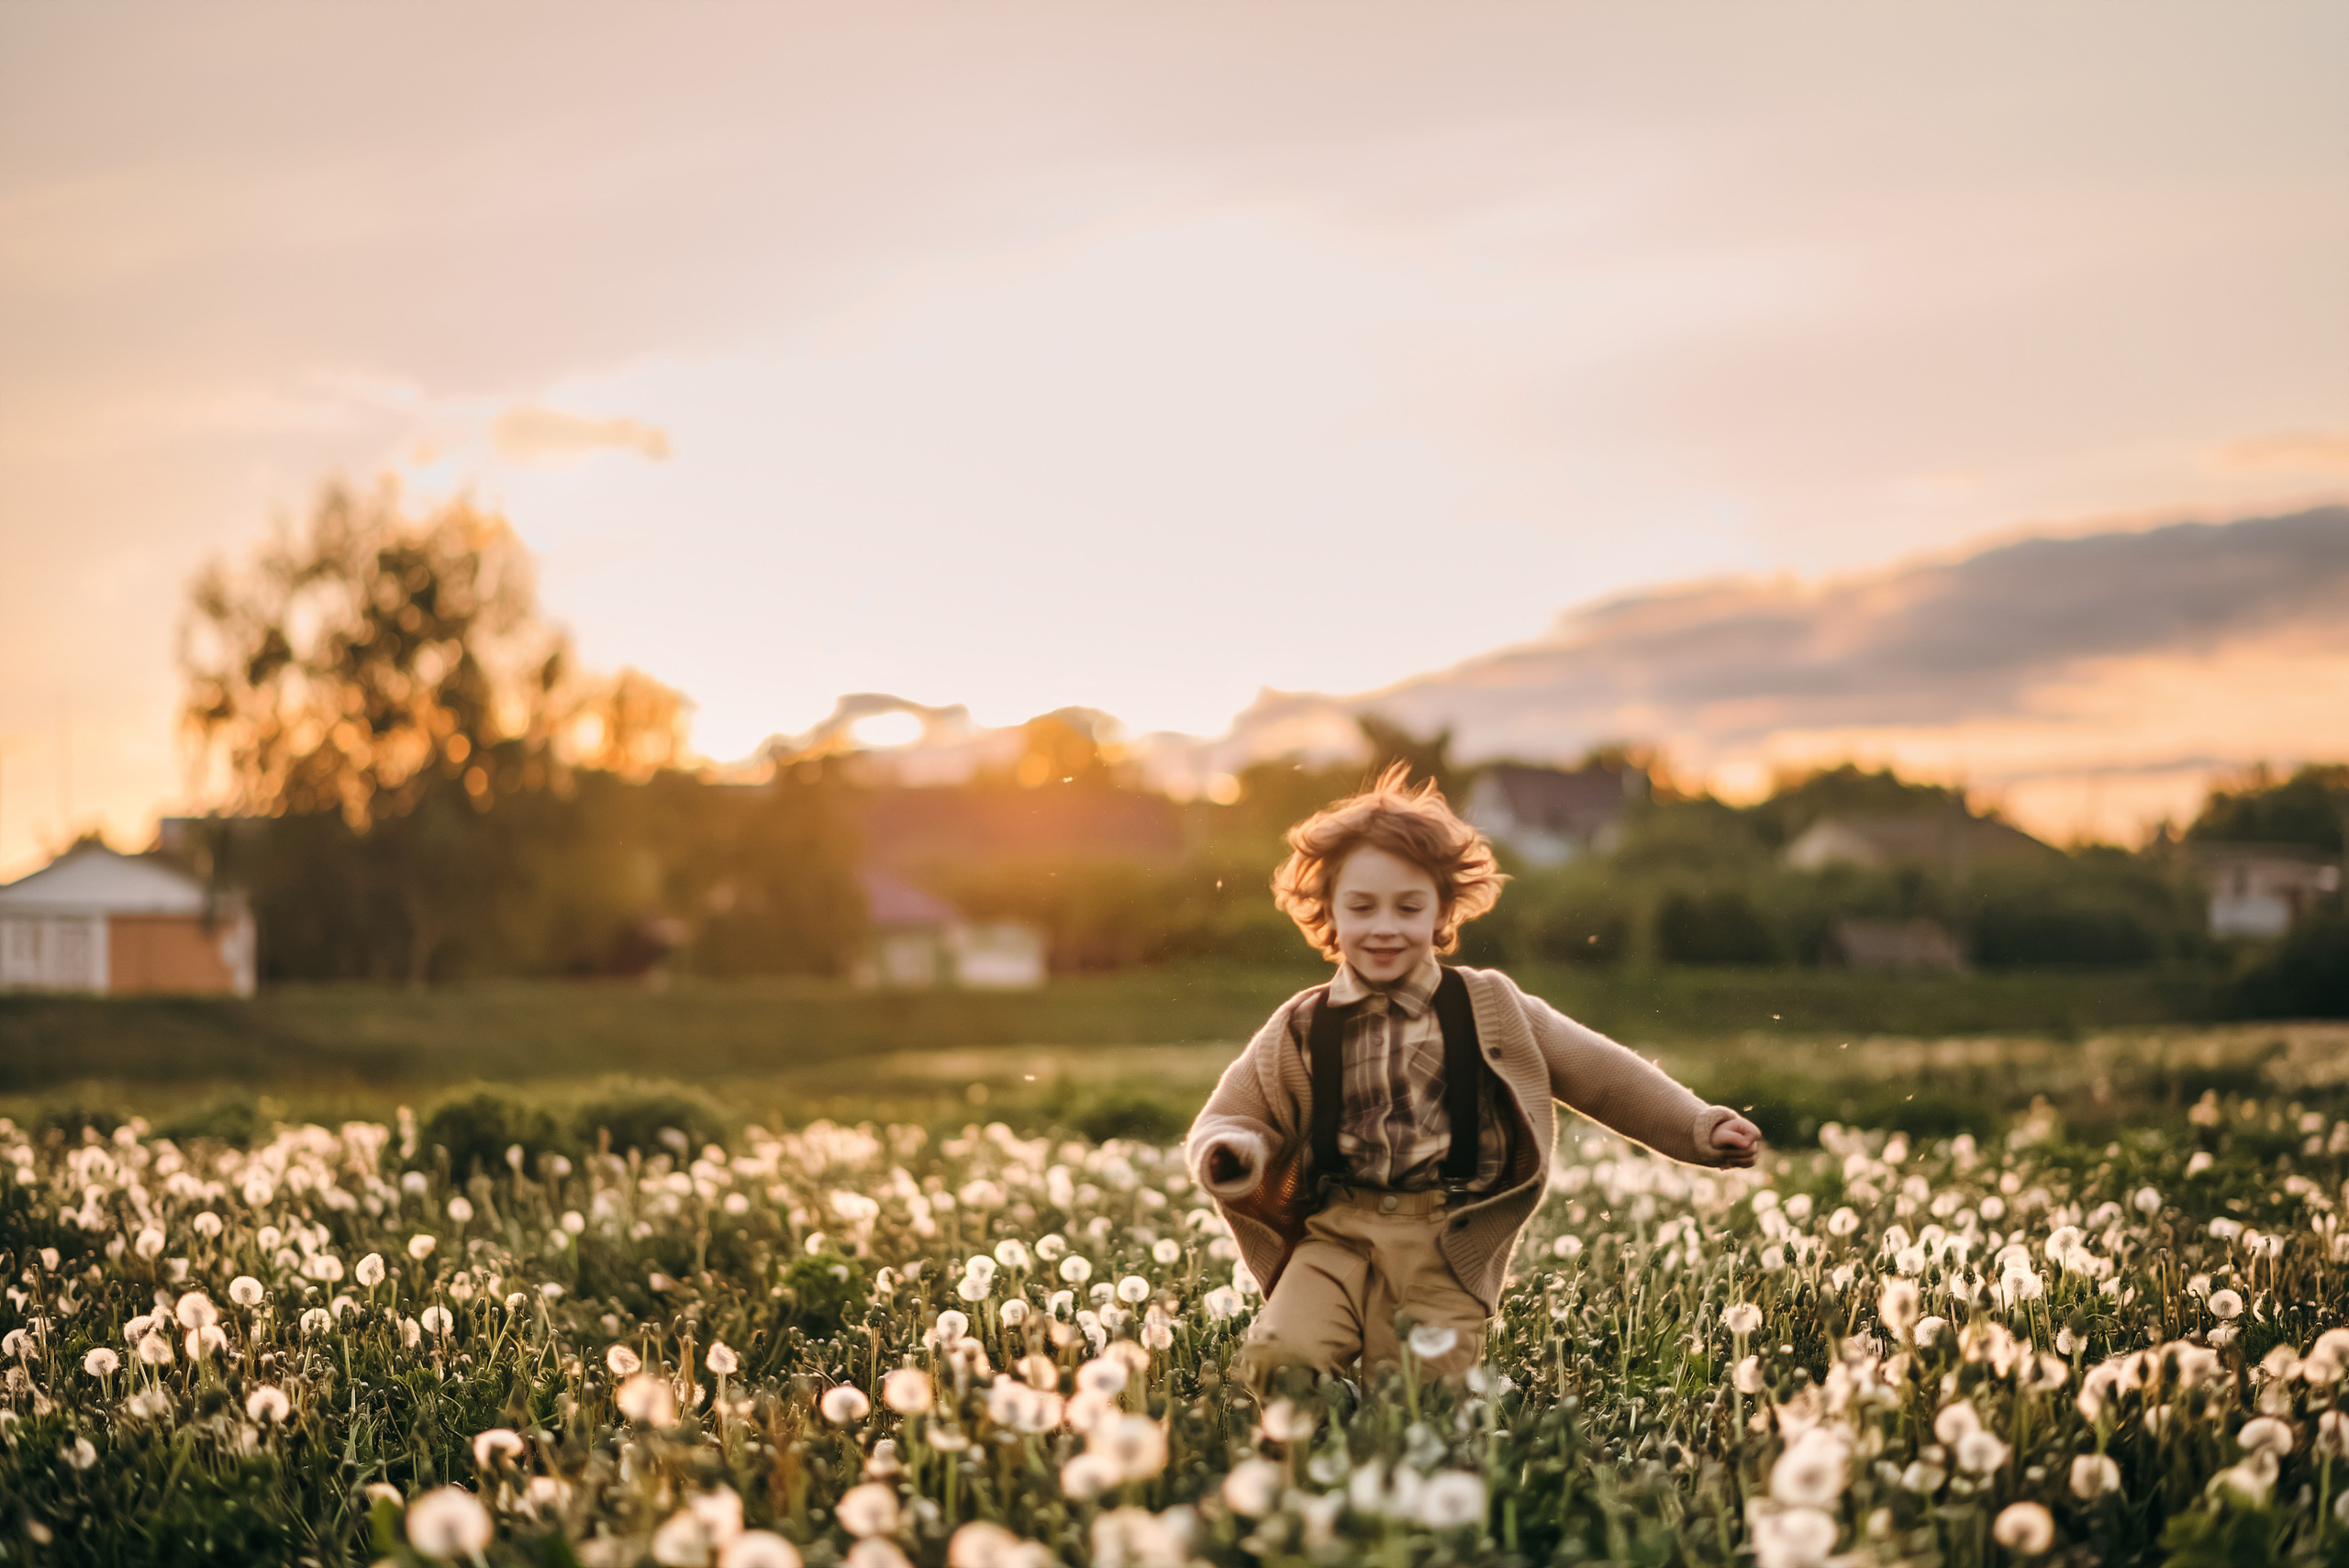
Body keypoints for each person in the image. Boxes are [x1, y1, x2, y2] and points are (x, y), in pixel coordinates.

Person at [1186, 763, 1761, 1392]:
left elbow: (1601, 1074)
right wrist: (1231, 1151)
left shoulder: (1493, 1006)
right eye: (1362, 906)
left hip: (1444, 1248)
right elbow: (1234, 1114)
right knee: (1277, 1363)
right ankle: (1327, 1433)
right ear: (1329, 910)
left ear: (1442, 911)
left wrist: (1697, 1126)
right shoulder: (1300, 1025)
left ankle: (1380, 1437)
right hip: (1334, 1237)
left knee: (1417, 1405)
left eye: (1409, 907)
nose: (1385, 925)